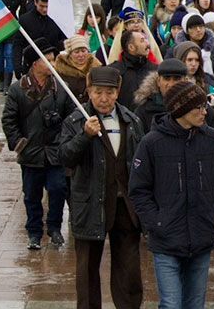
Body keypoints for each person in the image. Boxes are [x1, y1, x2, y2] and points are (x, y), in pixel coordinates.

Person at [128, 81, 214, 309]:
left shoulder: (211, 139)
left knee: (195, 304)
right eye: (198, 107)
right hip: (166, 240)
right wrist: (157, 222)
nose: (204, 112)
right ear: (180, 108)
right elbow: (139, 190)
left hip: (201, 235)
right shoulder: (152, 143)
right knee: (171, 304)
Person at [59, 66, 145, 309]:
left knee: (128, 269)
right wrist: (84, 136)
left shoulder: (131, 120)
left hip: (124, 206)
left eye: (109, 92)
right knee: (86, 269)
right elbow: (64, 157)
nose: (104, 99)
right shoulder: (76, 121)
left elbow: (140, 162)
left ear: (117, 92)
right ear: (89, 92)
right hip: (90, 205)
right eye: (98, 92)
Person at [1, 38, 73, 250]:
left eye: (53, 60)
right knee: (32, 195)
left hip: (55, 151)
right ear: (35, 64)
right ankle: (34, 232)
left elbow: (71, 117)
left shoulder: (61, 88)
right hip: (31, 153)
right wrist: (19, 143)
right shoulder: (18, 90)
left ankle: (54, 228)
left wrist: (63, 138)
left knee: (58, 189)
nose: (52, 64)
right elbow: (9, 120)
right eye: (47, 60)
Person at [13, 0, 67, 79]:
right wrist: (17, 67)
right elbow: (17, 45)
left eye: (47, 6)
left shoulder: (58, 19)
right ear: (35, 2)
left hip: (53, 67)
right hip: (30, 67)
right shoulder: (25, 20)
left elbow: (65, 41)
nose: (45, 9)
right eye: (41, 6)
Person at [110, 28, 157, 111]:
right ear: (131, 47)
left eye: (146, 39)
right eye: (142, 41)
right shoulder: (115, 71)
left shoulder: (155, 69)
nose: (147, 43)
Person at [54, 35, 101, 102]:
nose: (81, 55)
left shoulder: (96, 68)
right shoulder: (61, 71)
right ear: (70, 54)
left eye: (83, 51)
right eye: (76, 52)